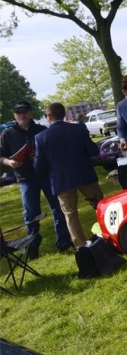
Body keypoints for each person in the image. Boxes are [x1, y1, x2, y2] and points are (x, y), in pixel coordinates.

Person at [0, 100, 72, 257]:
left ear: (31, 113)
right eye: (18, 113)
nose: (22, 115)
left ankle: (64, 242)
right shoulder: (7, 134)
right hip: (25, 179)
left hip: (46, 175)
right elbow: (1, 156)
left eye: (25, 112)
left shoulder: (42, 130)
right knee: (31, 214)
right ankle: (32, 245)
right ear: (14, 115)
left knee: (58, 209)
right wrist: (9, 162)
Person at [34, 103, 102, 249]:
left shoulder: (41, 137)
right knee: (100, 206)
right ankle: (108, 234)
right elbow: (93, 151)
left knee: (70, 215)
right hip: (85, 175)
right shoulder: (78, 129)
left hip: (61, 181)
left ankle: (81, 246)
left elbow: (39, 166)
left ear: (49, 117)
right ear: (64, 114)